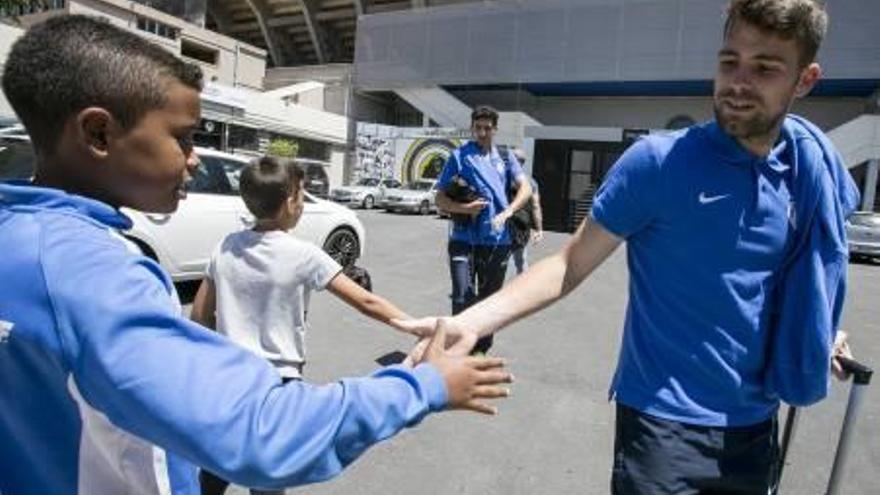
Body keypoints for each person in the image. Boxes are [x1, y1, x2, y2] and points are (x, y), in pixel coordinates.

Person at [0, 16, 512, 495]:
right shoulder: (98, 278)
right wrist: (424, 385)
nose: (195, 155)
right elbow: (262, 433)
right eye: (183, 136)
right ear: (97, 133)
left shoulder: (18, 239)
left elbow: (200, 315)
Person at [402, 1, 860, 493]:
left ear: (805, 80)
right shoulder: (659, 163)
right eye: (729, 62)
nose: (739, 83)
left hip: (755, 427)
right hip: (663, 428)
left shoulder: (808, 178)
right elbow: (568, 263)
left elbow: (788, 284)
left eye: (765, 68)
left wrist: (819, 331)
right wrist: (467, 323)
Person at [191, 157, 437, 495]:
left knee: (213, 470)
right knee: (268, 476)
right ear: (291, 201)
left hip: (227, 378)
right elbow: (366, 301)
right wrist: (417, 326)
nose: (304, 202)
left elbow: (200, 315)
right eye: (303, 194)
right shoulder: (304, 254)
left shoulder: (226, 246)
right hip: (277, 384)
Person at [434, 105, 532, 354]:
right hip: (462, 238)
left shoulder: (506, 156)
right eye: (477, 128)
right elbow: (440, 200)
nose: (482, 133)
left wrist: (509, 211)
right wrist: (465, 209)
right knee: (461, 297)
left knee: (489, 303)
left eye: (487, 128)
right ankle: (457, 353)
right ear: (472, 128)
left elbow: (526, 189)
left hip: (497, 241)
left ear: (495, 129)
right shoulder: (459, 156)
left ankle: (480, 351)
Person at [508, 148, 544, 275]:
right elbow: (535, 206)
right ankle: (522, 287)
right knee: (521, 261)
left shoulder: (501, 177)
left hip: (503, 225)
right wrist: (539, 229)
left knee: (498, 260)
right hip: (521, 226)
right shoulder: (531, 182)